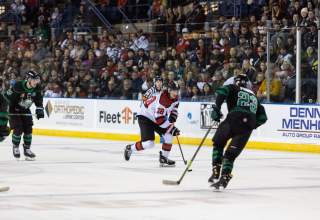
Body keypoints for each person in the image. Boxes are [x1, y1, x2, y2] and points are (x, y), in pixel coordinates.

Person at [208, 74, 267, 189]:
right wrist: (251, 125)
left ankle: (216, 171)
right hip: (247, 125)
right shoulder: (254, 97)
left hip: (233, 119)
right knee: (230, 154)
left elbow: (221, 92)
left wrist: (216, 108)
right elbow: (263, 117)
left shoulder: (233, 87)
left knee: (218, 143)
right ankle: (224, 177)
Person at [124, 83, 180, 167]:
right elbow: (160, 120)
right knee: (149, 143)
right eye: (174, 91)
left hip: (155, 117)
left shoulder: (175, 97)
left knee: (168, 136)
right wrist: (171, 128)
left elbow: (175, 107)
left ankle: (163, 158)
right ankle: (129, 148)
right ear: (169, 90)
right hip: (145, 117)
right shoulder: (162, 100)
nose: (176, 93)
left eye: (177, 91)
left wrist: (173, 115)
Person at [4, 70, 44, 160]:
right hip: (13, 110)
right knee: (18, 128)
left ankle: (27, 149)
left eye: (37, 80)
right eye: (34, 80)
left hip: (25, 109)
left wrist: (39, 109)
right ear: (28, 79)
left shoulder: (37, 88)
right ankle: (16, 147)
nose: (36, 82)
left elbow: (39, 100)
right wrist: (4, 109)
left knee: (28, 129)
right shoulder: (18, 86)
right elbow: (6, 97)